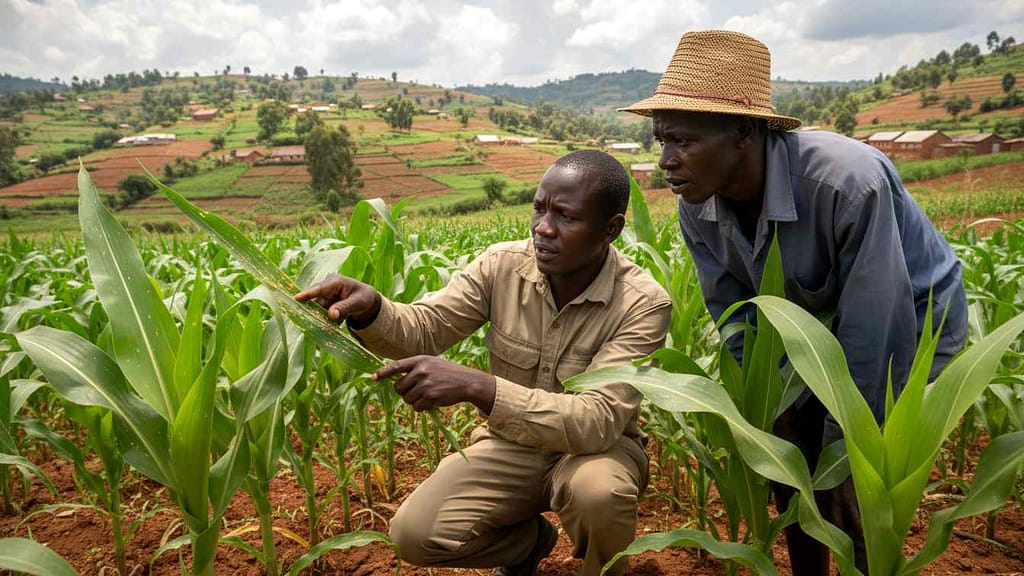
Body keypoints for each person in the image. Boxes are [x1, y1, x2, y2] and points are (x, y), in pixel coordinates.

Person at [621, 30, 968, 574]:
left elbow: (876, 331)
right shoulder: (697, 202)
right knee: (789, 459)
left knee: (854, 480)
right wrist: (767, 416)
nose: (665, 160)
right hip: (807, 335)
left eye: (682, 141)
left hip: (911, 327)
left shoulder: (847, 184)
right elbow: (734, 317)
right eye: (660, 140)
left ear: (743, 131)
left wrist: (837, 455)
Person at [295, 150, 672, 576]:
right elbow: (427, 325)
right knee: (414, 533)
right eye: (539, 208)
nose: (543, 229)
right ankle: (527, 545)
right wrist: (372, 309)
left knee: (599, 493)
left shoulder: (641, 303)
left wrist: (480, 386)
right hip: (513, 444)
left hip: (595, 453)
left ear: (611, 229)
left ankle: (602, 571)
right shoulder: (502, 266)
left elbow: (597, 420)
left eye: (565, 216)